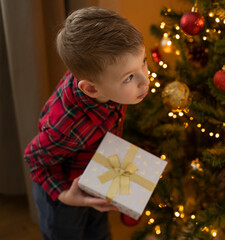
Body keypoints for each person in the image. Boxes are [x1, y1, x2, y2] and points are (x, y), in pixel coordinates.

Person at [24, 7, 150, 240]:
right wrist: (64, 195)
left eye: (143, 62)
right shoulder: (67, 126)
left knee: (100, 233)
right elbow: (34, 159)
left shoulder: (104, 83)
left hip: (94, 176)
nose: (146, 81)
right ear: (90, 89)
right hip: (64, 199)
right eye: (129, 77)